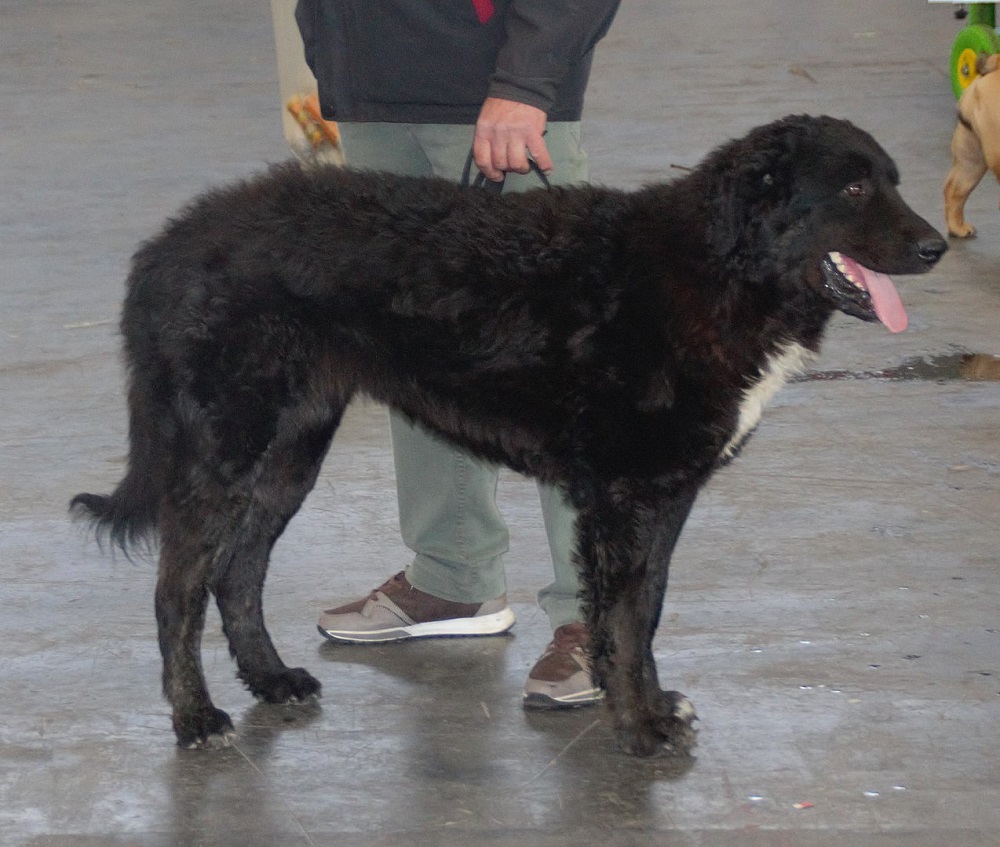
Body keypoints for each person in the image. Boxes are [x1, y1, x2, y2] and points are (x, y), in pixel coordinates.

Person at [294, 0, 621, 709]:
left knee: (560, 367)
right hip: (373, 91)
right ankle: (453, 575)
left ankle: (598, 615)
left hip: (493, 94)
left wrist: (526, 83)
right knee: (414, 352)